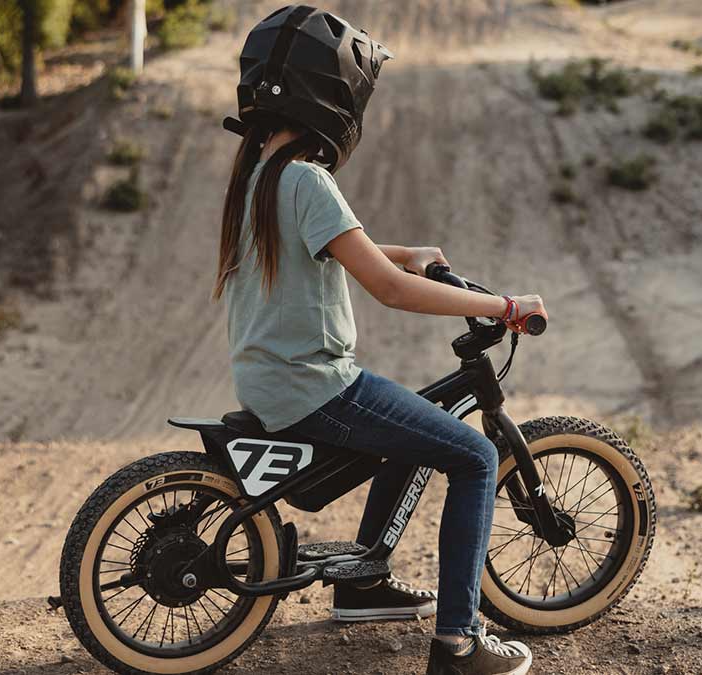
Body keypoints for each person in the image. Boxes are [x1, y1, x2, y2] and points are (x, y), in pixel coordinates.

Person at [216, 7, 544, 675]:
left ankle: (363, 582)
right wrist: (502, 305)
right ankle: (459, 643)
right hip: (313, 384)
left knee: (415, 418)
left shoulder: (262, 173)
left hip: (272, 376)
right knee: (476, 455)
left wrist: (405, 251)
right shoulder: (309, 178)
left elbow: (340, 251)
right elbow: (389, 290)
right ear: (335, 98)